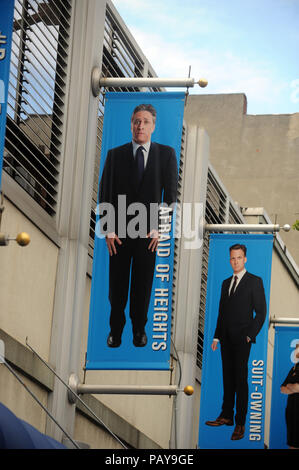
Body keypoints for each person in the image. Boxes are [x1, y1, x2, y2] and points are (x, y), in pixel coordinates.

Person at [98, 103, 178, 348]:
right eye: (136, 121)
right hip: (119, 233)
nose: (140, 125)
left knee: (142, 285)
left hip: (148, 233)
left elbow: (171, 196)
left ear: (153, 126)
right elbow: (104, 194)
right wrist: (108, 229)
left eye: (145, 121)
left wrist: (160, 228)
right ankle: (115, 330)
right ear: (131, 124)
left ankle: (139, 329)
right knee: (118, 285)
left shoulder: (166, 154)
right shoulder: (115, 154)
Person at [205, 244, 267, 440]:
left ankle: (240, 422)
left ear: (245, 259)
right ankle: (226, 416)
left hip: (242, 338)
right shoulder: (225, 283)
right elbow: (221, 313)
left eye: (239, 258)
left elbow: (261, 312)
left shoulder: (255, 281)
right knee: (227, 377)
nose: (235, 261)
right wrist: (216, 336)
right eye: (232, 258)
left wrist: (249, 335)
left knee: (240, 380)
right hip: (225, 338)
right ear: (229, 259)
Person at [280, 343, 299, 449]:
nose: (296, 351)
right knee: (292, 444)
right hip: (292, 412)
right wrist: (293, 386)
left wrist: (291, 386)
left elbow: (296, 387)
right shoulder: (295, 368)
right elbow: (282, 389)